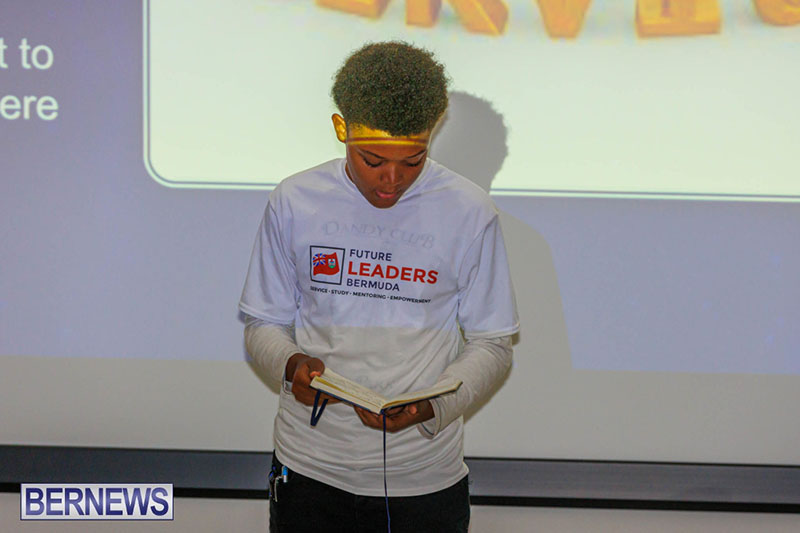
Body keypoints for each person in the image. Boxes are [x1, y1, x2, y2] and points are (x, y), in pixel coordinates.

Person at [239, 41, 519, 532]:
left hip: (423, 479)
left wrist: (433, 406)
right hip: (310, 472)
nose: (392, 180)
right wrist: (290, 364)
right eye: (372, 161)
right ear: (341, 130)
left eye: (413, 161)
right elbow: (263, 324)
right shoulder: (296, 200)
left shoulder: (468, 211)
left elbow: (493, 343)